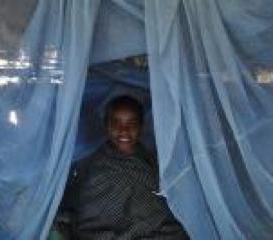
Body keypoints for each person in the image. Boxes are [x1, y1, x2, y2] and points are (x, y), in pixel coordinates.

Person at [61, 95, 188, 240]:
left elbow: (159, 208)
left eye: (132, 123)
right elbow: (88, 216)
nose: (124, 130)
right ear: (107, 126)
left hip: (152, 230)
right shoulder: (95, 165)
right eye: (116, 123)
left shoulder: (151, 161)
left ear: (141, 127)